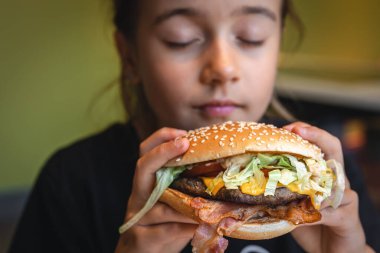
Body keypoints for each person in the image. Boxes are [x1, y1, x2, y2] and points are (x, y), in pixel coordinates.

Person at [8, 0, 379, 252]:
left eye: (251, 37)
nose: (223, 68)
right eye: (180, 39)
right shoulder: (71, 180)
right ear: (130, 56)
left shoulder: (329, 177)